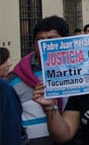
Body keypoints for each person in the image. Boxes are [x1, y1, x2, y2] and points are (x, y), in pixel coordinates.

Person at [7, 15, 69, 145]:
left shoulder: (80, 71)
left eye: (51, 39)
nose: (45, 45)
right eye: (40, 40)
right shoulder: (15, 79)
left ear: (66, 41)